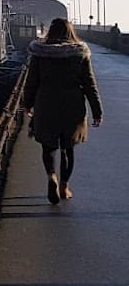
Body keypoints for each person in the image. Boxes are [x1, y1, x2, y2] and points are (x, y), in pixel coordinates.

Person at [24, 18, 103, 204]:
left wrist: (27, 104)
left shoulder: (40, 53)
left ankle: (51, 176)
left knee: (48, 146)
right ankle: (64, 186)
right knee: (68, 148)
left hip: (46, 104)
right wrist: (97, 111)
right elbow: (89, 84)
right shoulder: (80, 53)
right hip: (72, 105)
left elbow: (31, 82)